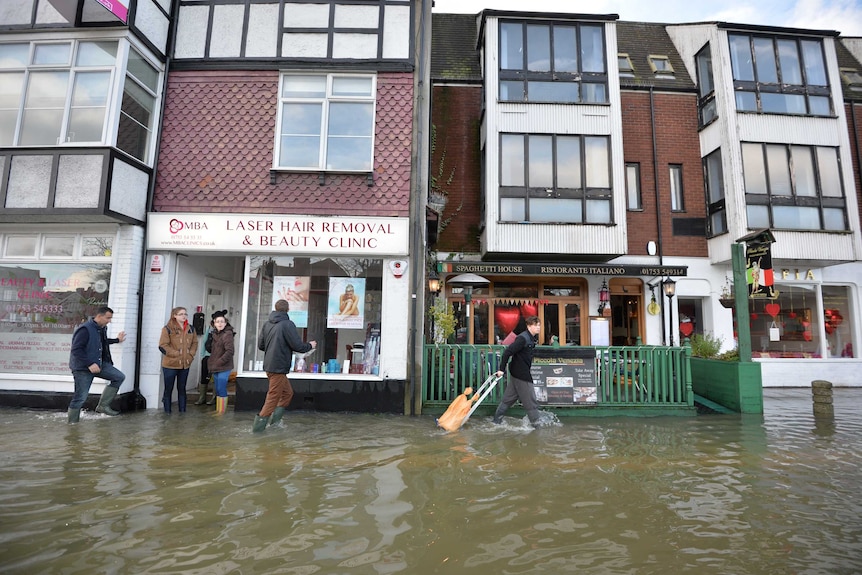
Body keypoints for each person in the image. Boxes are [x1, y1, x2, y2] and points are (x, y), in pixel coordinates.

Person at [253, 299, 316, 433]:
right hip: (279, 367)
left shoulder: (267, 324)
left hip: (270, 366)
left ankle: (275, 424)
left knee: (287, 393)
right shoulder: (287, 324)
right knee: (272, 398)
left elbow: (261, 346)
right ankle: (257, 431)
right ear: (287, 310)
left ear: (275, 308)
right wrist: (310, 345)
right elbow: (297, 346)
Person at [67, 306, 126, 423]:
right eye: (108, 318)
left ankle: (103, 406)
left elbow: (102, 342)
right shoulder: (84, 329)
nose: (110, 321)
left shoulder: (101, 328)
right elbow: (76, 349)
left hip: (99, 364)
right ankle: (72, 424)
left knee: (119, 377)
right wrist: (89, 363)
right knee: (80, 397)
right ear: (99, 316)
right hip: (83, 368)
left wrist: (116, 340)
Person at [493, 315, 541, 426]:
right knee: (531, 402)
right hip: (521, 375)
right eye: (536, 325)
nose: (538, 327)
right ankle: (537, 427)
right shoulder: (523, 338)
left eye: (539, 325)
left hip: (516, 373)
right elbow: (507, 352)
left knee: (507, 400)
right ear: (529, 326)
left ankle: (496, 422)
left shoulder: (531, 338)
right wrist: (501, 369)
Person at [158, 307, 198, 413]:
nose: (184, 316)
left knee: (182, 388)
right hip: (170, 365)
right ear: (174, 315)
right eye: (181, 314)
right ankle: (167, 412)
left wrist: (191, 354)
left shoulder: (191, 329)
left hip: (185, 364)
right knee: (168, 389)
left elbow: (195, 343)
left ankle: (182, 412)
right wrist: (176, 353)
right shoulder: (168, 329)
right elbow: (163, 345)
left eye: (185, 314)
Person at [207, 310, 235, 415]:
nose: (220, 323)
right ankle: (218, 410)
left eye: (222, 321)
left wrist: (220, 361)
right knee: (217, 388)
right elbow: (211, 350)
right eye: (218, 321)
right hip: (215, 366)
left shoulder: (227, 334)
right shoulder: (214, 334)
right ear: (214, 323)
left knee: (221, 387)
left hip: (224, 366)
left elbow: (230, 351)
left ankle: (222, 412)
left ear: (226, 323)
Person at [195, 317, 214, 406]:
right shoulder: (209, 329)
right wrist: (202, 355)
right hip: (207, 356)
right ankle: (202, 398)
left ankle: (214, 399)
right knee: (204, 377)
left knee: (214, 378)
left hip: (216, 358)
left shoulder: (223, 332)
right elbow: (204, 341)